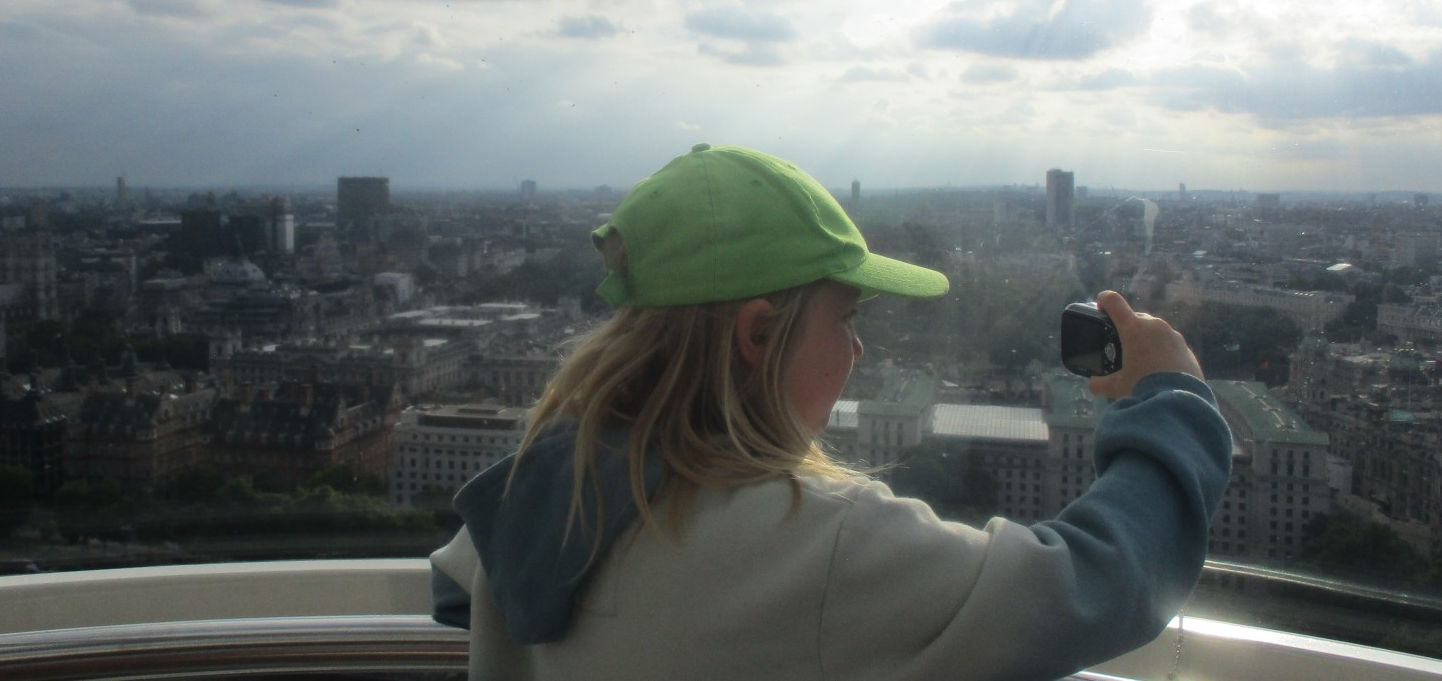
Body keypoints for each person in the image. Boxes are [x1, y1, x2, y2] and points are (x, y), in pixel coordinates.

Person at [430, 143, 1232, 681]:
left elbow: (457, 589)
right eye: (845, 317)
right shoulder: (818, 546)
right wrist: (1171, 398)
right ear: (757, 334)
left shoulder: (535, 494)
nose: (859, 348)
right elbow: (1097, 584)